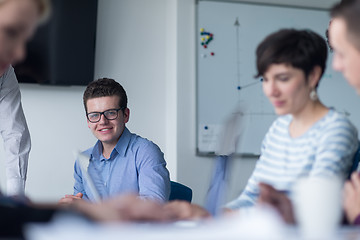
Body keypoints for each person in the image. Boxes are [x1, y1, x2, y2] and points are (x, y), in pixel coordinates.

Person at [159, 28, 359, 221]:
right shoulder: (279, 129)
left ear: (313, 76)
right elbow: (250, 197)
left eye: (282, 79)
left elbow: (313, 208)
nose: (271, 91)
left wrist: (217, 217)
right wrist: (212, 216)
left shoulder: (336, 130)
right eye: (266, 79)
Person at [60, 78, 170, 203]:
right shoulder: (83, 161)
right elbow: (81, 209)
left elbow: (154, 205)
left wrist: (94, 210)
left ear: (126, 115)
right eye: (94, 115)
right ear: (88, 121)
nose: (102, 121)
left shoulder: (145, 152)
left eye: (111, 113)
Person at [0, 0, 49, 196]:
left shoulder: (5, 74)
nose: (20, 54)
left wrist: (16, 199)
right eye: (11, 32)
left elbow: (15, 135)